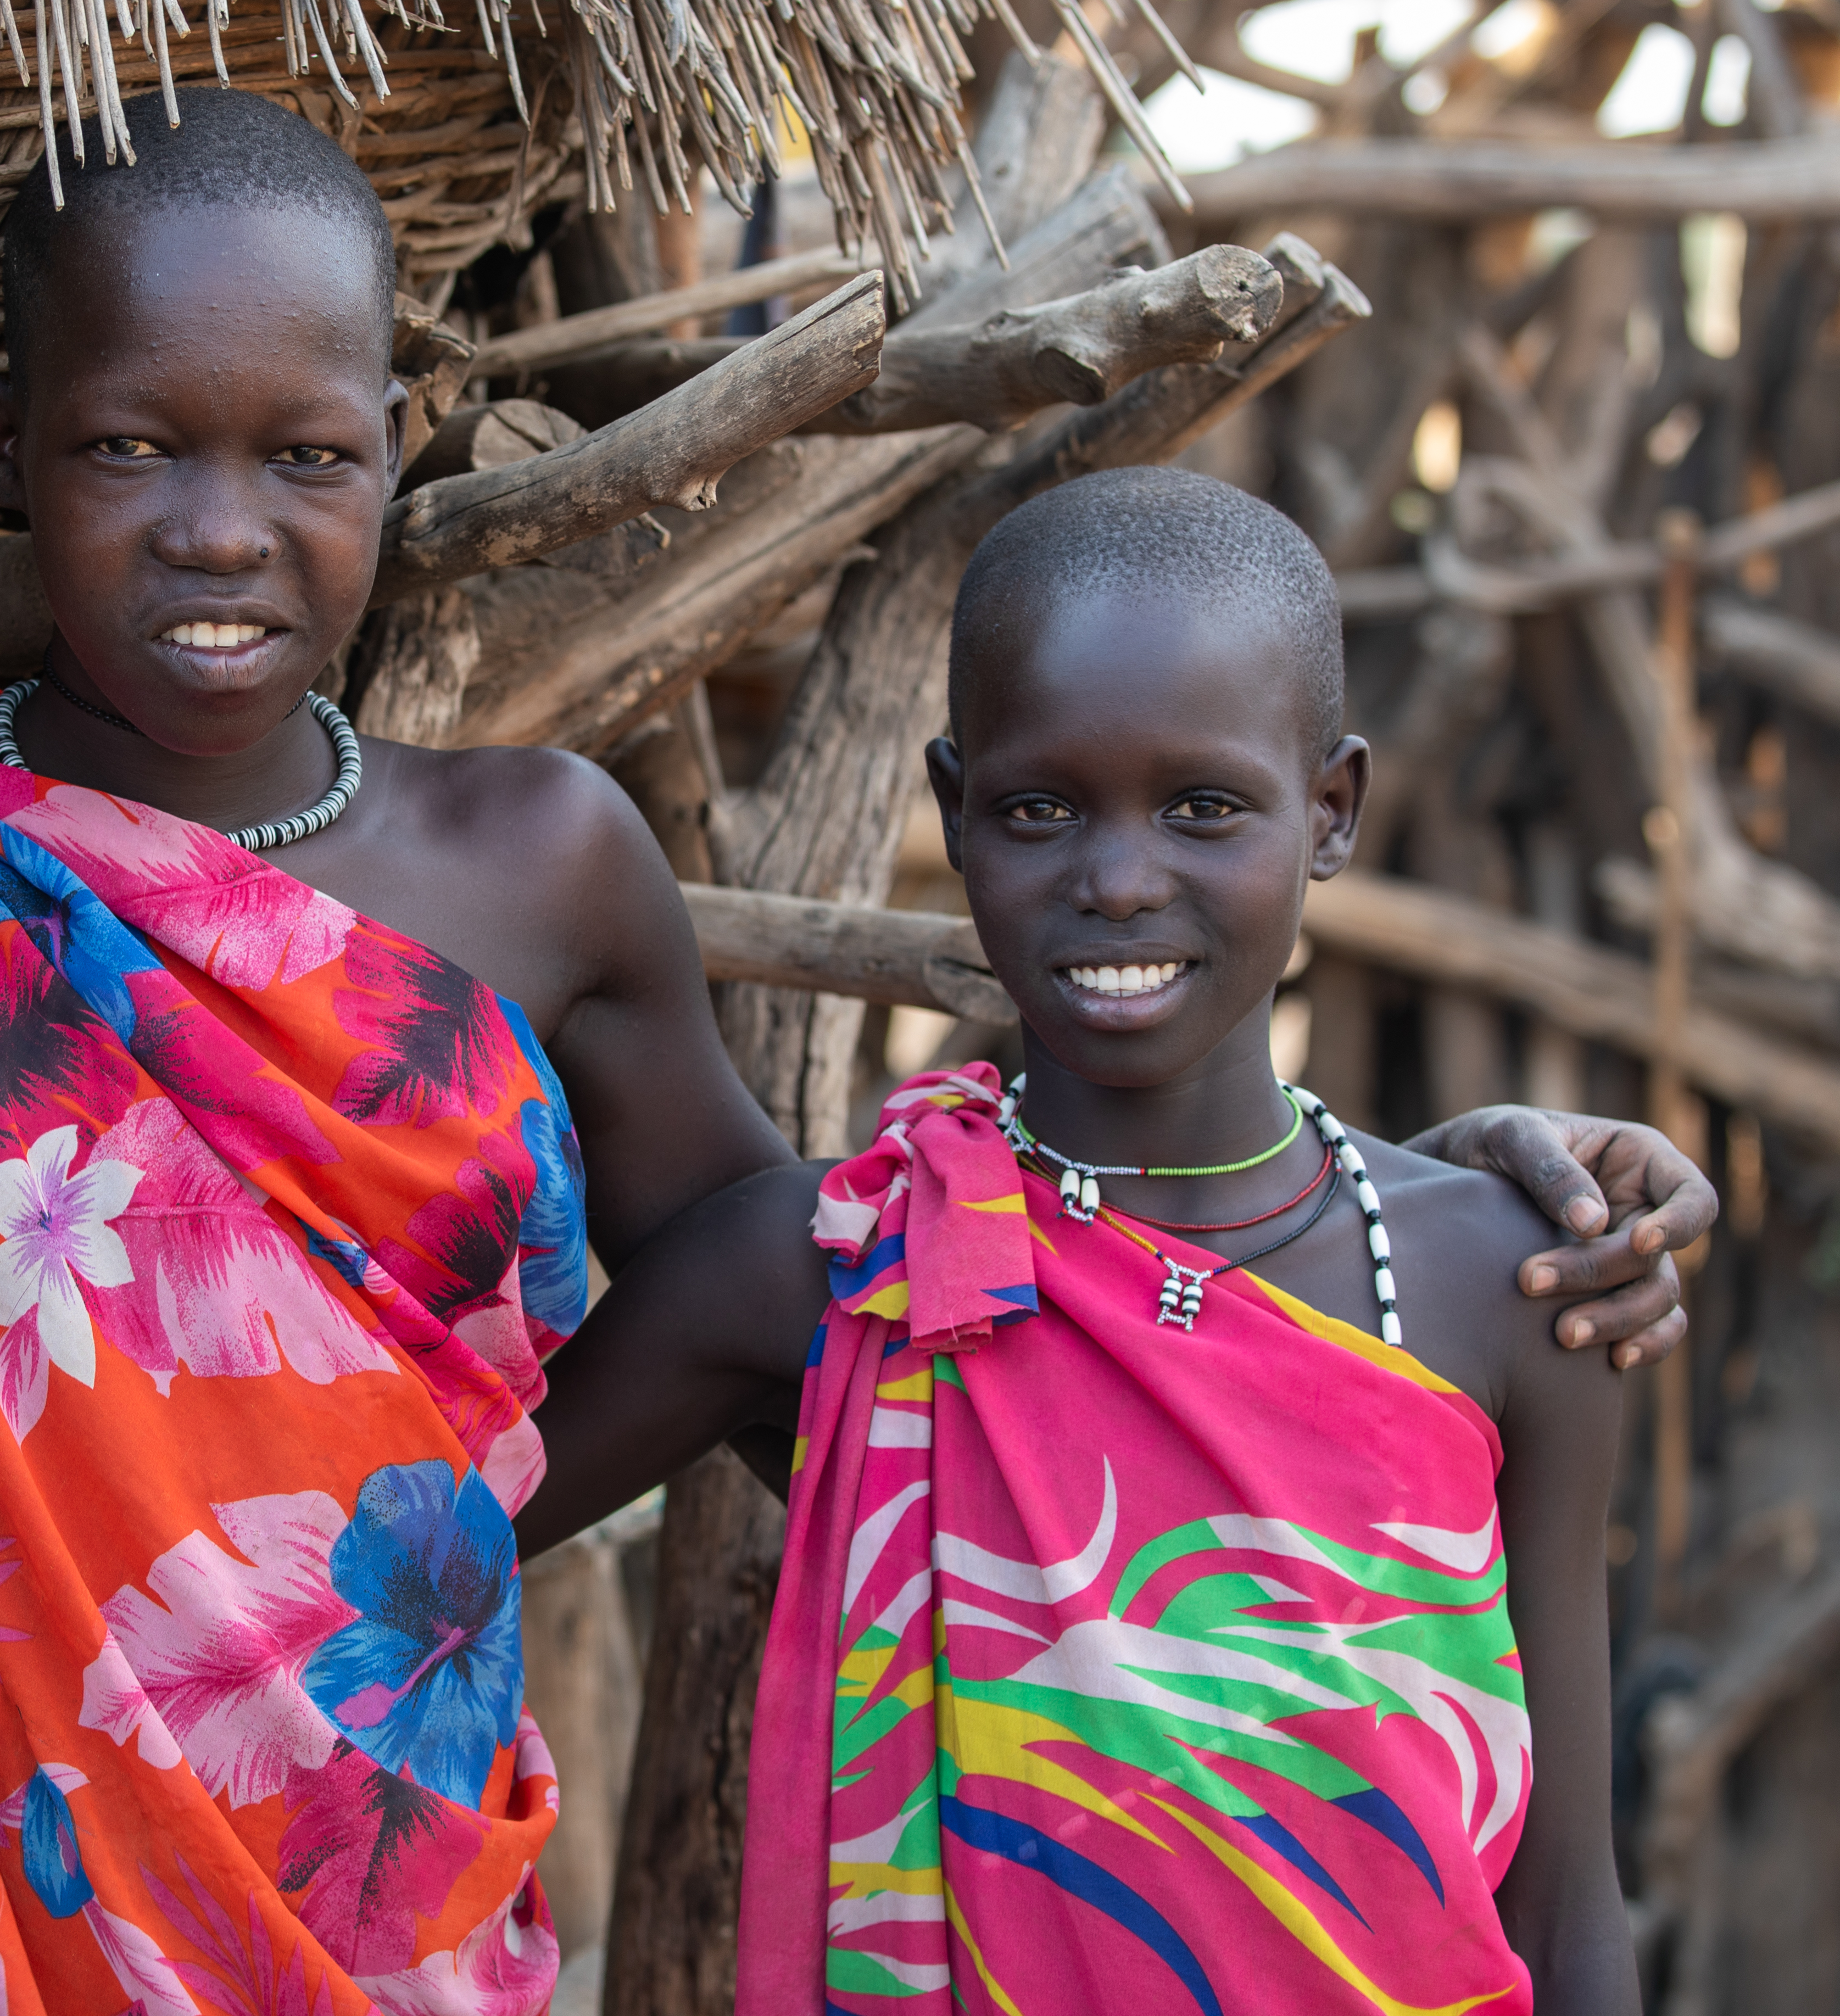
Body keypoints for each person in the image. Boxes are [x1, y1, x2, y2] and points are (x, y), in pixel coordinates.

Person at [0, 92, 1701, 2015]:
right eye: (131, 446)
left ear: (405, 448)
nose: (215, 533)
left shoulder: (545, 879)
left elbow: (919, 1337)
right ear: (9, 451)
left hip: (393, 1960)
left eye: (303, 453)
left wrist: (1454, 1201)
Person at [516, 465, 1640, 2013]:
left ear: (1332, 813)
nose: (1118, 880)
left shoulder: (1503, 1284)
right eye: (1042, 810)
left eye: (1205, 807)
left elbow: (1571, 1906)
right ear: (954, 812)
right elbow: (383, 1559)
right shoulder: (830, 1272)